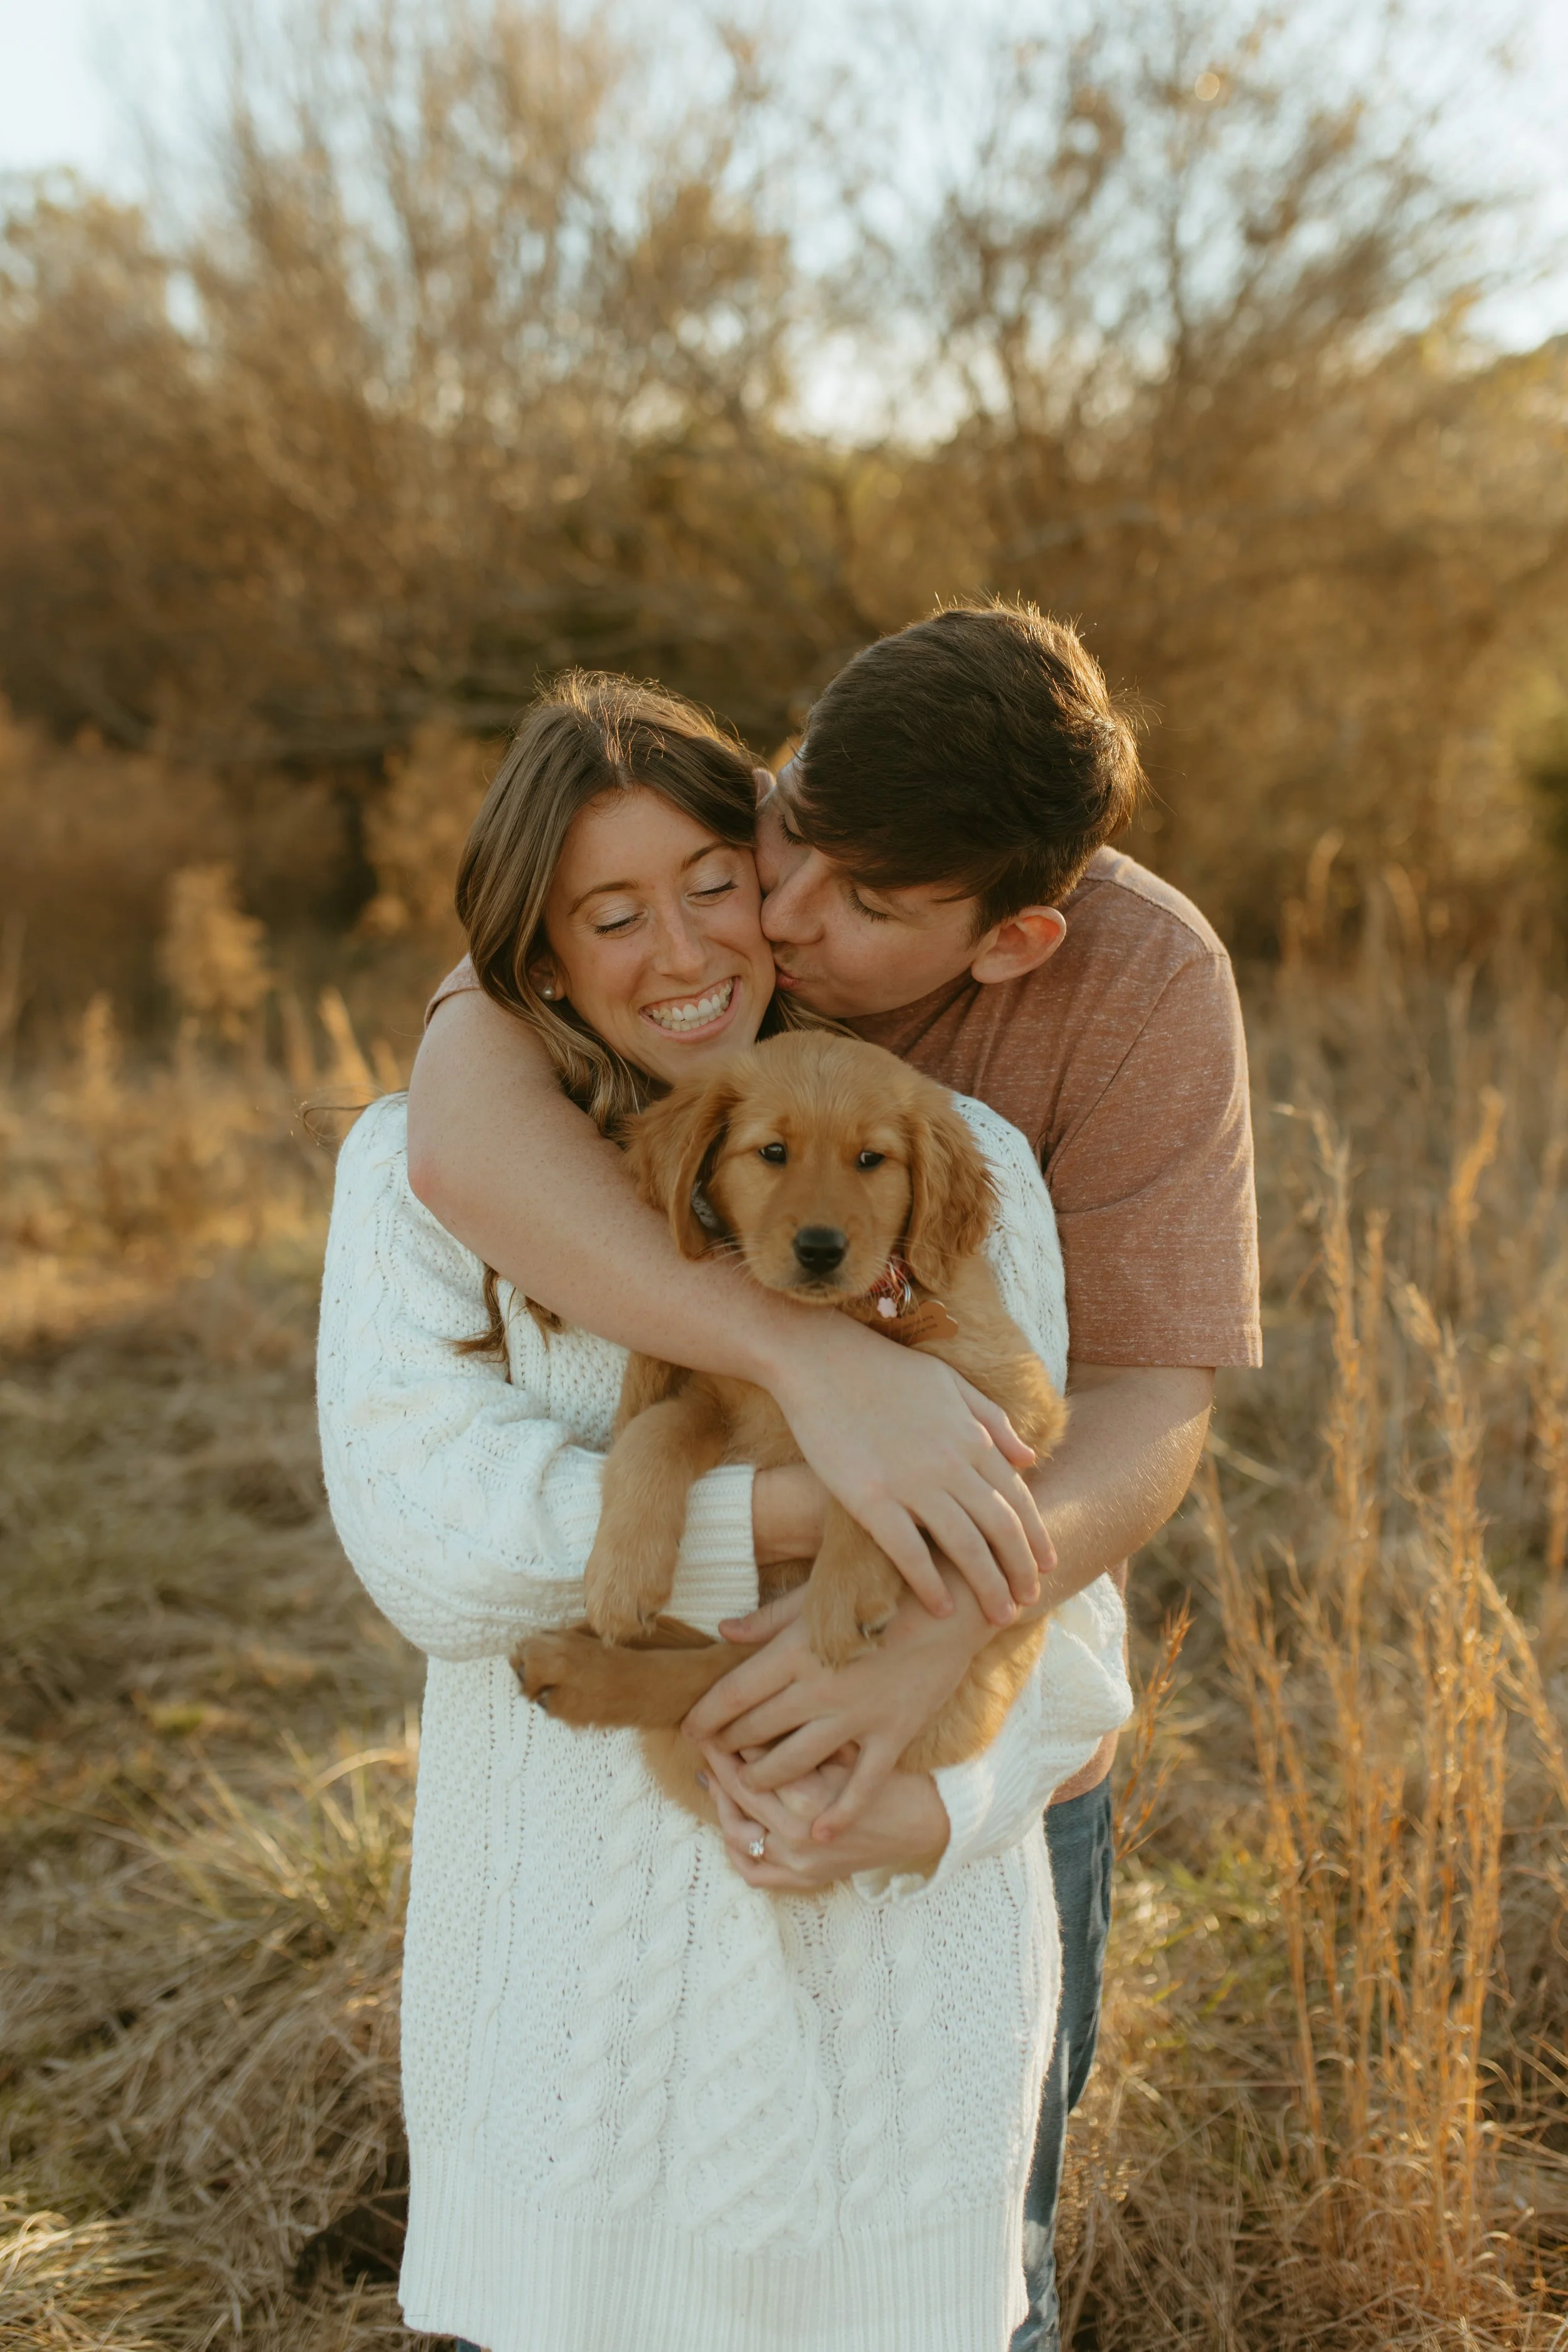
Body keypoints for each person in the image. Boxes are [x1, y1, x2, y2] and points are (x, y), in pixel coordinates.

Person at [408, 604, 1262, 2350]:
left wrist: (951, 1624)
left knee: (955, 2254)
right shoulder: (714, 886)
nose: (784, 916)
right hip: (654, 1775)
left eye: (868, 904)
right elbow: (461, 1095)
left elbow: (1150, 1402)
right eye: (791, 826)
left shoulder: (1142, 986)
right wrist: (808, 1356)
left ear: (1013, 938)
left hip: (992, 1738)